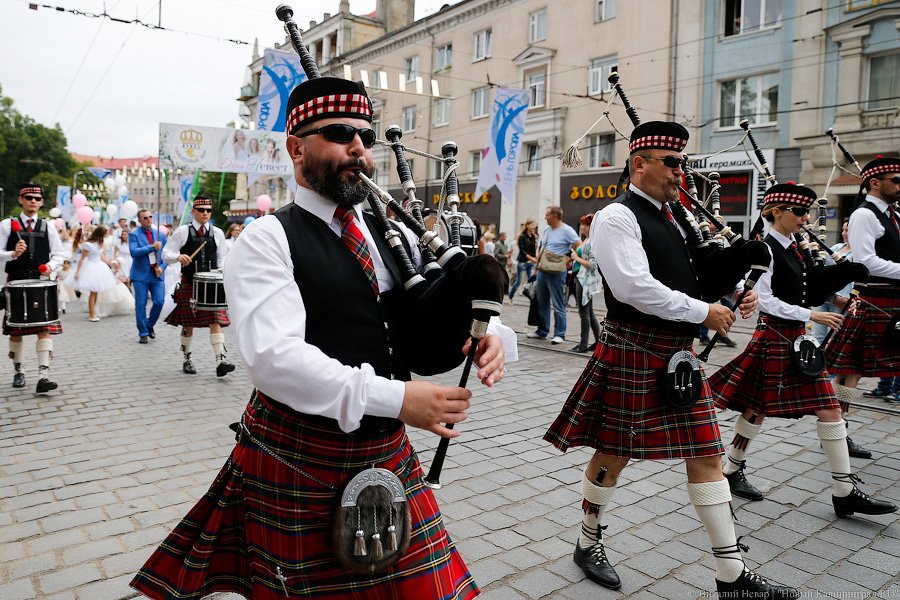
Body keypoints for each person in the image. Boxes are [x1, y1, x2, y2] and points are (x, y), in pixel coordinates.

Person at [131, 74, 508, 600]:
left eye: (366, 137)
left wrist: (485, 333)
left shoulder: (387, 233)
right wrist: (398, 397)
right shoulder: (267, 238)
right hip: (301, 453)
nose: (358, 147)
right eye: (338, 133)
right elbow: (275, 359)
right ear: (296, 147)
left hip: (385, 447)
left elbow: (420, 311)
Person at [543, 122, 796, 598]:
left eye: (684, 163)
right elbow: (633, 288)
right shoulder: (616, 217)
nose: (682, 173)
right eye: (673, 163)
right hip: (635, 348)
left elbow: (692, 275)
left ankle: (732, 575)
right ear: (640, 164)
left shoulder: (676, 217)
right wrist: (705, 311)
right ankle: (587, 541)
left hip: (676, 353)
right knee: (614, 455)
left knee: (707, 454)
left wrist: (733, 288)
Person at [707, 183, 895, 520]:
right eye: (799, 212)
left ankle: (843, 489)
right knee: (759, 407)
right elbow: (764, 299)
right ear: (777, 212)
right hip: (775, 336)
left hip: (795, 339)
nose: (805, 217)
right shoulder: (764, 248)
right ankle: (733, 468)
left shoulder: (795, 246)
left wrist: (839, 289)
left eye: (807, 212)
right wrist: (812, 314)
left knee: (825, 409)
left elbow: (806, 287)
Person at [825, 156, 900, 439]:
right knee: (850, 372)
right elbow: (866, 262)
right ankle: (837, 430)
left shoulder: (895, 215)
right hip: (874, 299)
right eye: (896, 180)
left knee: (853, 371)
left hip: (893, 301)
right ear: (875, 182)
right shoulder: (864, 215)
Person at [0, 184, 65, 393]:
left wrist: (50, 266)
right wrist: (12, 254)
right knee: (16, 332)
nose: (33, 201)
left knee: (44, 330)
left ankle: (43, 376)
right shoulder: (7, 225)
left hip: (40, 283)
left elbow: (59, 254)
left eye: (37, 198)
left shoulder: (49, 227)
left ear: (42, 202)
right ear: (21, 200)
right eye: (28, 197)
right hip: (16, 284)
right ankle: (19, 371)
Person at [162, 195, 234, 377]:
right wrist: (178, 257)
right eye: (201, 210)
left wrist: (221, 271)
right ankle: (187, 359)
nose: (205, 213)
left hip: (210, 284)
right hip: (189, 282)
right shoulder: (182, 231)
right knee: (188, 324)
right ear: (193, 211)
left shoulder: (217, 233)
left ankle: (220, 361)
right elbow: (166, 253)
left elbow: (222, 258)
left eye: (208, 210)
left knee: (215, 320)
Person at [527, 206, 580, 344]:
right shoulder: (547, 230)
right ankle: (542, 331)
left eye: (547, 215)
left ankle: (559, 334)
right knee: (542, 302)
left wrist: (567, 261)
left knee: (558, 303)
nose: (545, 217)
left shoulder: (567, 230)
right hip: (543, 270)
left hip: (557, 272)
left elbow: (578, 246)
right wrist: (536, 268)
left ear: (555, 216)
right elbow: (542, 249)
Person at [129, 209, 167, 344]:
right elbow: (134, 252)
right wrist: (152, 247)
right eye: (145, 218)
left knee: (159, 301)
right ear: (139, 220)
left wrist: (162, 267)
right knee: (141, 304)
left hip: (156, 275)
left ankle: (149, 324)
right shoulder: (134, 234)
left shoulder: (160, 234)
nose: (149, 219)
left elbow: (166, 255)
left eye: (150, 217)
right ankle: (143, 332)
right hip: (140, 275)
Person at [68, 225, 118, 321]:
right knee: (93, 292)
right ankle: (92, 314)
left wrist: (111, 263)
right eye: (105, 234)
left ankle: (93, 311)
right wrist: (77, 272)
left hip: (99, 266)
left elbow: (102, 257)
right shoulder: (88, 244)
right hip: (90, 266)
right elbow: (82, 258)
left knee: (96, 292)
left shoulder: (101, 243)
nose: (106, 236)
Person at [570, 214, 601, 353]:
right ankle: (598, 341)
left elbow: (592, 264)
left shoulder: (592, 241)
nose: (581, 227)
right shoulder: (587, 240)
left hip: (585, 279)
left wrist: (576, 258)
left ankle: (583, 344)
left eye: (584, 224)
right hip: (583, 278)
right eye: (581, 224)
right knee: (589, 312)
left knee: (584, 313)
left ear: (590, 226)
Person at [508, 219, 538, 302]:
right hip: (522, 262)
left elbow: (533, 251)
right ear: (527, 225)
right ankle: (510, 296)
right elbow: (522, 251)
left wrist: (535, 258)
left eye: (535, 225)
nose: (534, 227)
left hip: (530, 263)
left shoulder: (532, 237)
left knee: (533, 279)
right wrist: (532, 258)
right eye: (532, 225)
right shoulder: (522, 237)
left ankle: (532, 298)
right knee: (518, 281)